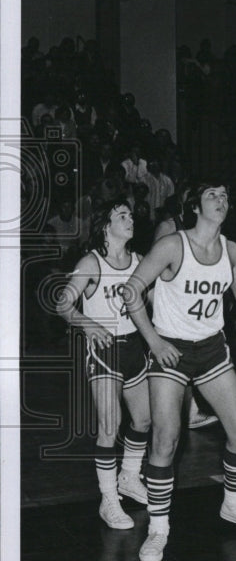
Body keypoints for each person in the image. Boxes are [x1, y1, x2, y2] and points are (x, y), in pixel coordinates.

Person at [125, 180, 236, 561]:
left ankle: (235, 504)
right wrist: (155, 343)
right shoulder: (173, 245)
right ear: (195, 207)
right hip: (171, 349)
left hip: (210, 349)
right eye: (213, 195)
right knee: (166, 440)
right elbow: (131, 291)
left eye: (226, 195)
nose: (221, 200)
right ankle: (158, 528)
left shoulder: (231, 249)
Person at [56, 198, 150, 529]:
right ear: (106, 226)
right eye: (122, 215)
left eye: (131, 214)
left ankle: (129, 477)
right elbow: (62, 302)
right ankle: (108, 499)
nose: (130, 219)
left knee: (144, 420)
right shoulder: (91, 263)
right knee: (110, 425)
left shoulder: (139, 261)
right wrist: (87, 324)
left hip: (135, 347)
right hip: (104, 348)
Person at [154, 186, 218, 431]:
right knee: (175, 360)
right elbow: (157, 268)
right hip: (170, 305)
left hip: (192, 304)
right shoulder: (169, 227)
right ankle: (176, 415)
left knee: (191, 357)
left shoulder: (204, 232)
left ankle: (190, 411)